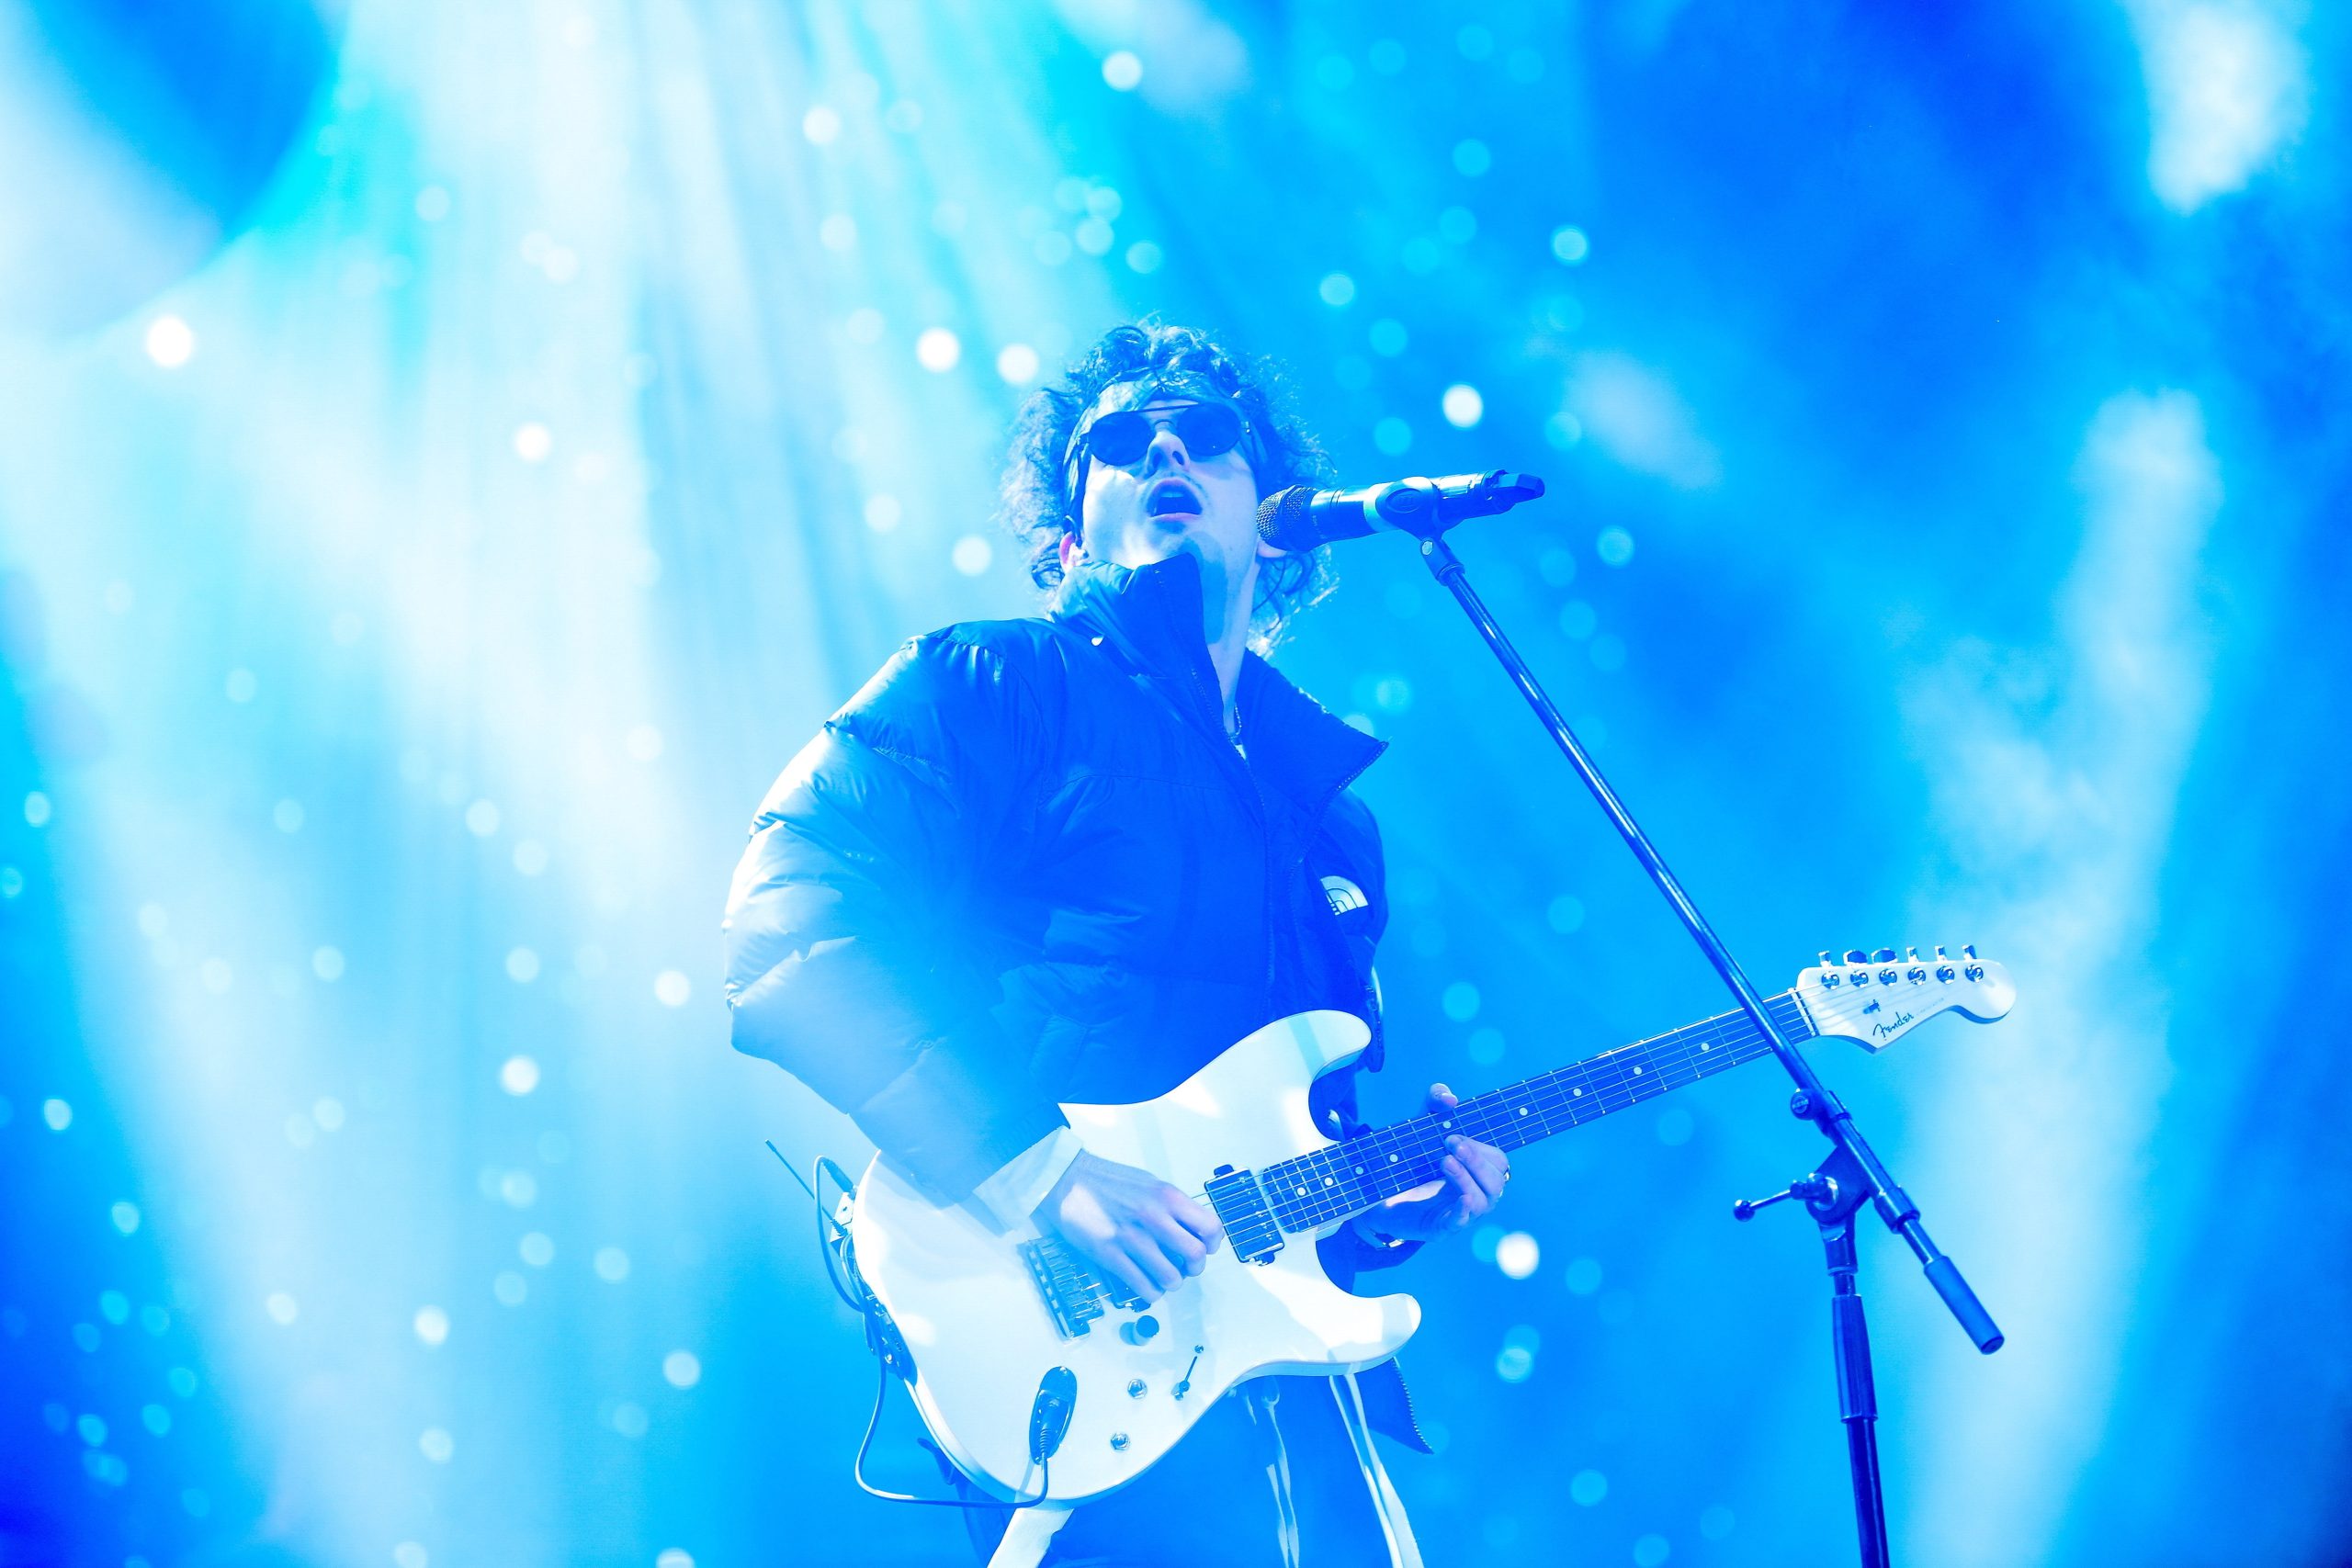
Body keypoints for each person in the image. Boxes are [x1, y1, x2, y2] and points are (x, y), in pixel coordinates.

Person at [723, 321, 1510, 1566]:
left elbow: (1287, 1151)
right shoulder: (987, 685)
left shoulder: (1334, 823)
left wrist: (1383, 1211)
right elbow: (786, 933)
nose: (1165, 451)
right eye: (1121, 441)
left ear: (1277, 520)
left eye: (1208, 435)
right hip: (1077, 1368)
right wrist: (1036, 1171)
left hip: (1297, 1397)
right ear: (1064, 537)